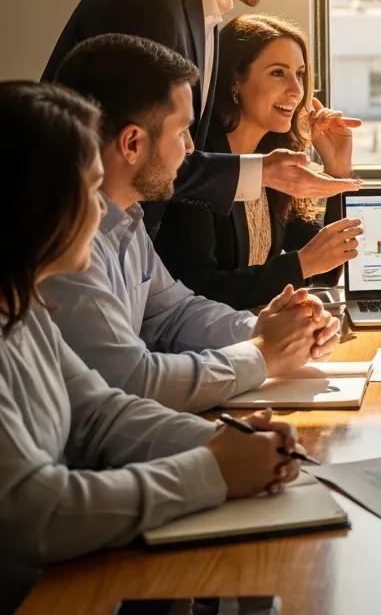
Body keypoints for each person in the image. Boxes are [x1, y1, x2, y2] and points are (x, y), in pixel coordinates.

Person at [0, 80, 305, 605]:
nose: (100, 211)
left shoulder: (23, 310)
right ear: (37, 204)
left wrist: (223, 444)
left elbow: (100, 413)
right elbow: (37, 512)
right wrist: (212, 469)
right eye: (87, 190)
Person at [42, 0, 353, 230]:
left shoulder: (199, 4)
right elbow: (136, 155)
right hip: (77, 238)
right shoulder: (148, 2)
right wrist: (261, 173)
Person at [43, 34, 344, 412]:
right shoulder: (65, 249)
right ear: (132, 144)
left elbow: (174, 314)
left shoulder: (128, 220)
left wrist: (272, 331)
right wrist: (264, 353)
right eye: (181, 130)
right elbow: (133, 380)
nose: (190, 148)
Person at [157, 15, 362, 310]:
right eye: (278, 73)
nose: (296, 90)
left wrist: (338, 168)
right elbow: (200, 289)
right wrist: (301, 264)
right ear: (235, 81)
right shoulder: (201, 167)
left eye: (300, 74)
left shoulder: (274, 160)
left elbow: (326, 271)